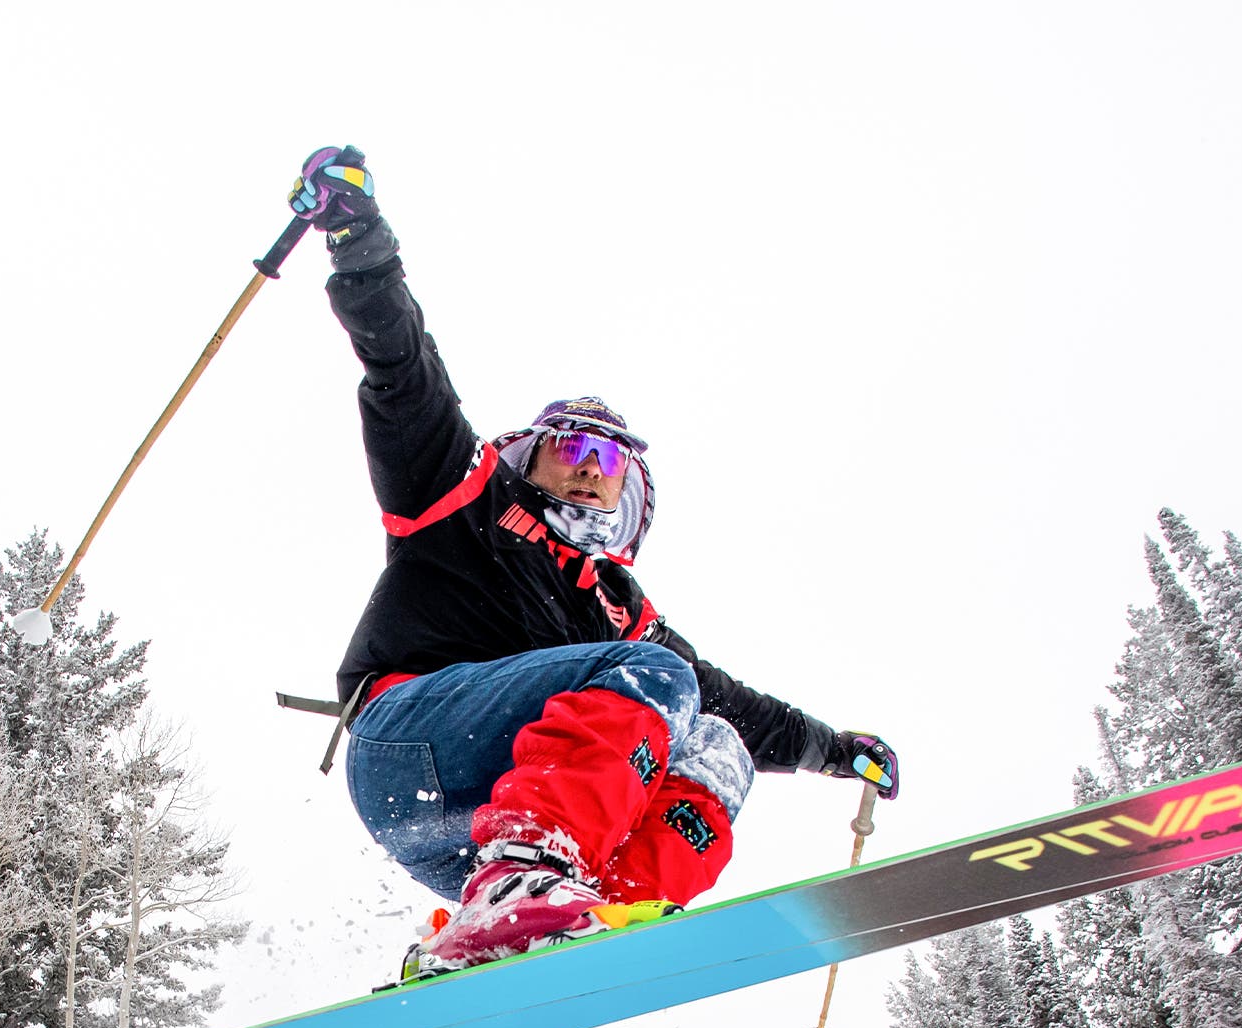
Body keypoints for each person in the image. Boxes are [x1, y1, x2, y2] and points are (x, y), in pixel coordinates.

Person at [286, 146, 902, 983]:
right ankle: (520, 883)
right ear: (530, 457)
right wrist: (357, 237)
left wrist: (835, 749)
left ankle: (600, 911)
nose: (586, 468)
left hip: (490, 813)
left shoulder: (614, 602)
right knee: (655, 676)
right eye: (569, 449)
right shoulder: (465, 496)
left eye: (605, 460)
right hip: (410, 745)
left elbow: (726, 699)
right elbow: (403, 371)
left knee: (715, 742)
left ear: (626, 487)